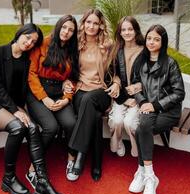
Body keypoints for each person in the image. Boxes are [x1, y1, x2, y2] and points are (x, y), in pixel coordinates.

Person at [0, 24, 66, 194]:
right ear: (20, 33)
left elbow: (24, 87)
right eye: (27, 37)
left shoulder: (26, 59)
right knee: (17, 127)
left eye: (34, 41)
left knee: (31, 127)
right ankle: (8, 178)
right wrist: (15, 111)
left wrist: (21, 109)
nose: (29, 42)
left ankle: (42, 181)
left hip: (9, 104)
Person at [128, 24, 185, 194]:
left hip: (167, 110)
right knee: (143, 127)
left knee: (141, 129)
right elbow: (136, 87)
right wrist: (143, 101)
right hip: (148, 107)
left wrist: (156, 105)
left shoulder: (170, 63)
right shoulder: (141, 61)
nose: (151, 42)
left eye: (156, 39)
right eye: (149, 38)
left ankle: (143, 172)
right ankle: (149, 175)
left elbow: (179, 93)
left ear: (163, 41)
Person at [66, 8, 120, 182]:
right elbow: (66, 70)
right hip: (80, 90)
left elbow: (118, 71)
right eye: (88, 22)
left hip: (101, 91)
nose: (91, 26)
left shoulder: (108, 45)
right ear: (83, 23)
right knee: (94, 116)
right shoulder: (75, 44)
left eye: (95, 23)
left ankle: (77, 153)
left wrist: (117, 83)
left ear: (100, 25)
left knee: (90, 101)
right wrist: (64, 82)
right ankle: (96, 163)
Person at [26, 15, 79, 185]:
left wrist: (66, 99)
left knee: (71, 123)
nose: (67, 32)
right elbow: (32, 73)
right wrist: (44, 98)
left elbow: (73, 78)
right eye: (64, 27)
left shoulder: (72, 49)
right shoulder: (44, 43)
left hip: (59, 94)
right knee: (51, 127)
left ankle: (71, 159)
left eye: (71, 30)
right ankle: (34, 169)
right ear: (58, 27)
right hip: (38, 93)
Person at [108, 16, 144, 157]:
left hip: (138, 96)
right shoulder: (117, 50)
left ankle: (135, 145)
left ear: (136, 31)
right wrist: (122, 95)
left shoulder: (144, 51)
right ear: (119, 32)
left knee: (129, 122)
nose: (127, 32)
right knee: (117, 121)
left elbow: (148, 78)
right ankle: (117, 140)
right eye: (124, 30)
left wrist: (138, 93)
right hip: (120, 95)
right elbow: (112, 74)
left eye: (130, 29)